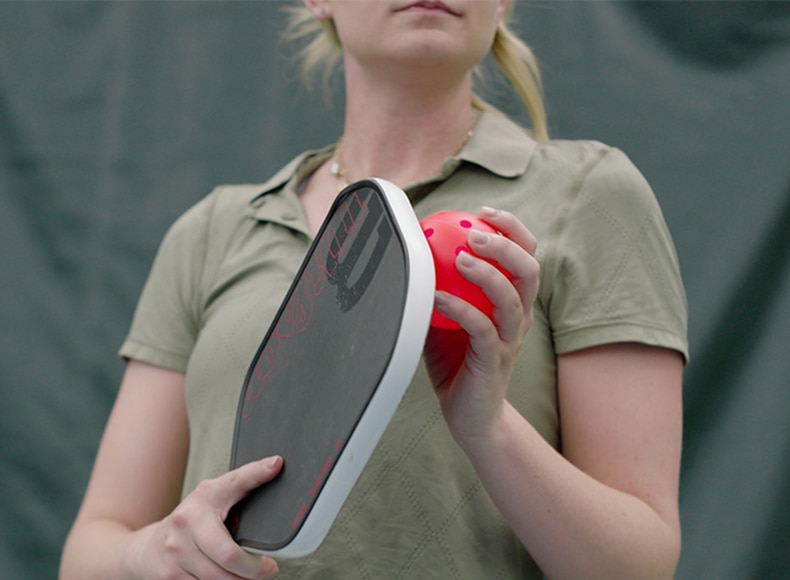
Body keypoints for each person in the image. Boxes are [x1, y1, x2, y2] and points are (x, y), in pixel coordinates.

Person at [60, 0, 689, 578]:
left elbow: (638, 567)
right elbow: (91, 547)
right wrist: (152, 552)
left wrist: (488, 427)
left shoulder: (591, 195)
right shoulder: (213, 231)